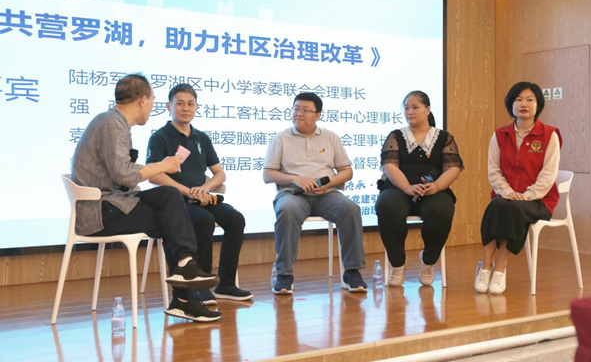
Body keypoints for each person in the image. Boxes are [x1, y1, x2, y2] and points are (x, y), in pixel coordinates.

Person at [71, 73, 222, 322]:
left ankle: (185, 272)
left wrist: (156, 168)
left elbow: (122, 175)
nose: (152, 107)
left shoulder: (115, 123)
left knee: (169, 196)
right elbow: (123, 174)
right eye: (152, 101)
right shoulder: (112, 123)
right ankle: (185, 295)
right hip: (101, 211)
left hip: (116, 202)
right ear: (142, 100)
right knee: (172, 217)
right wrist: (162, 165)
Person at [146, 83, 252, 304]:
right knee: (204, 220)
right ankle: (201, 287)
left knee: (235, 219)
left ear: (196, 107)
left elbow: (219, 173)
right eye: (180, 103)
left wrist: (205, 188)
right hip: (175, 202)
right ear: (169, 107)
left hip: (202, 198)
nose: (186, 108)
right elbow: (154, 175)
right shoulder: (160, 137)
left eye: (190, 104)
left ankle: (226, 284)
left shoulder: (201, 138)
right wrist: (188, 192)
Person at [263, 92, 367, 294]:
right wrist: (295, 179)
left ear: (318, 115)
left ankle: (352, 272)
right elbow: (268, 174)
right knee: (287, 210)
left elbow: (347, 171)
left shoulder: (330, 137)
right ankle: (284, 274)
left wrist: (328, 184)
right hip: (293, 193)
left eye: (305, 110)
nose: (299, 114)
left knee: (350, 209)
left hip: (326, 195)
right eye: (296, 109)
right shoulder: (281, 138)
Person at [475, 82, 561, 295]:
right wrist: (507, 192)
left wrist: (528, 195)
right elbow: (493, 170)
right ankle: (486, 265)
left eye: (530, 100)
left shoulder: (549, 135)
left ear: (538, 105)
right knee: (496, 206)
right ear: (510, 104)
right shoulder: (500, 135)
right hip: (506, 197)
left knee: (512, 209)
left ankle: (500, 268)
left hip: (539, 201)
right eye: (518, 99)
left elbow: (548, 174)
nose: (524, 104)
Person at [375, 90, 464, 287]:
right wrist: (407, 187)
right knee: (387, 205)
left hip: (433, 190)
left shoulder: (444, 137)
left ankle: (428, 261)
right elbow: (389, 166)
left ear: (427, 110)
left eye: (415, 107)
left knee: (441, 210)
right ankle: (398, 263)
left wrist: (437, 186)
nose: (410, 112)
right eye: (406, 108)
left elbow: (453, 168)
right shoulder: (396, 136)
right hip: (399, 188)